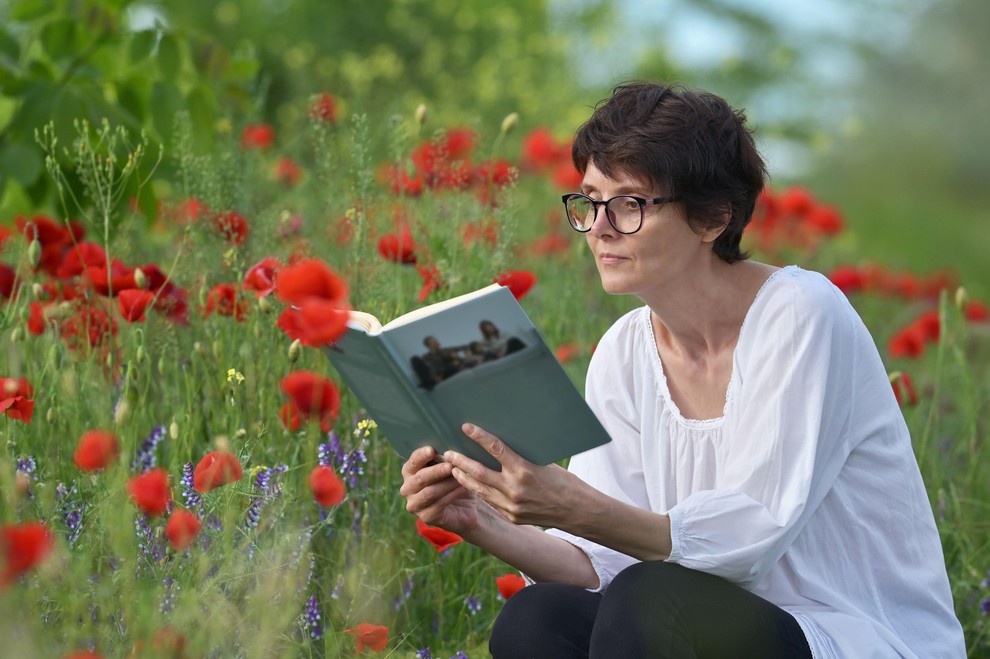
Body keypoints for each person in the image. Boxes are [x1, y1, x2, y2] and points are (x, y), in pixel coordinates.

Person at [399, 81, 965, 658]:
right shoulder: (624, 350)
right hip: (703, 629)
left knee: (652, 597)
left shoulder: (799, 314)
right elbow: (603, 562)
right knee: (537, 616)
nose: (598, 228)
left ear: (713, 218)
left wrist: (574, 504)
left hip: (847, 635)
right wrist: (478, 519)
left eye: (630, 204)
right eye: (590, 201)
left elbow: (752, 537)